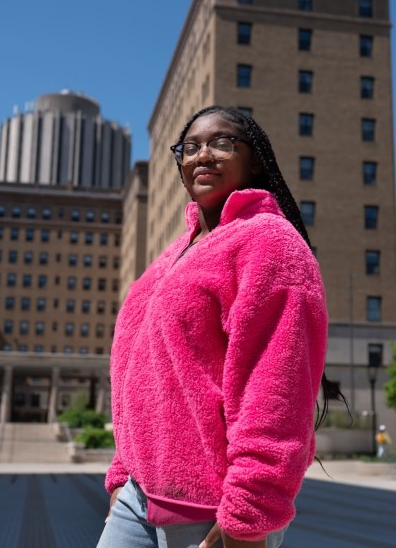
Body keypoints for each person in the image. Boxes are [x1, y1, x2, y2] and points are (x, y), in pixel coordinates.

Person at [97, 106, 332, 548]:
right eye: (190, 147)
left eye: (222, 142)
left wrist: (248, 513)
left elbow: (275, 386)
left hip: (215, 507)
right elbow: (142, 379)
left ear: (256, 159)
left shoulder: (269, 241)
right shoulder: (170, 259)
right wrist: (121, 474)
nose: (202, 154)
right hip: (138, 497)